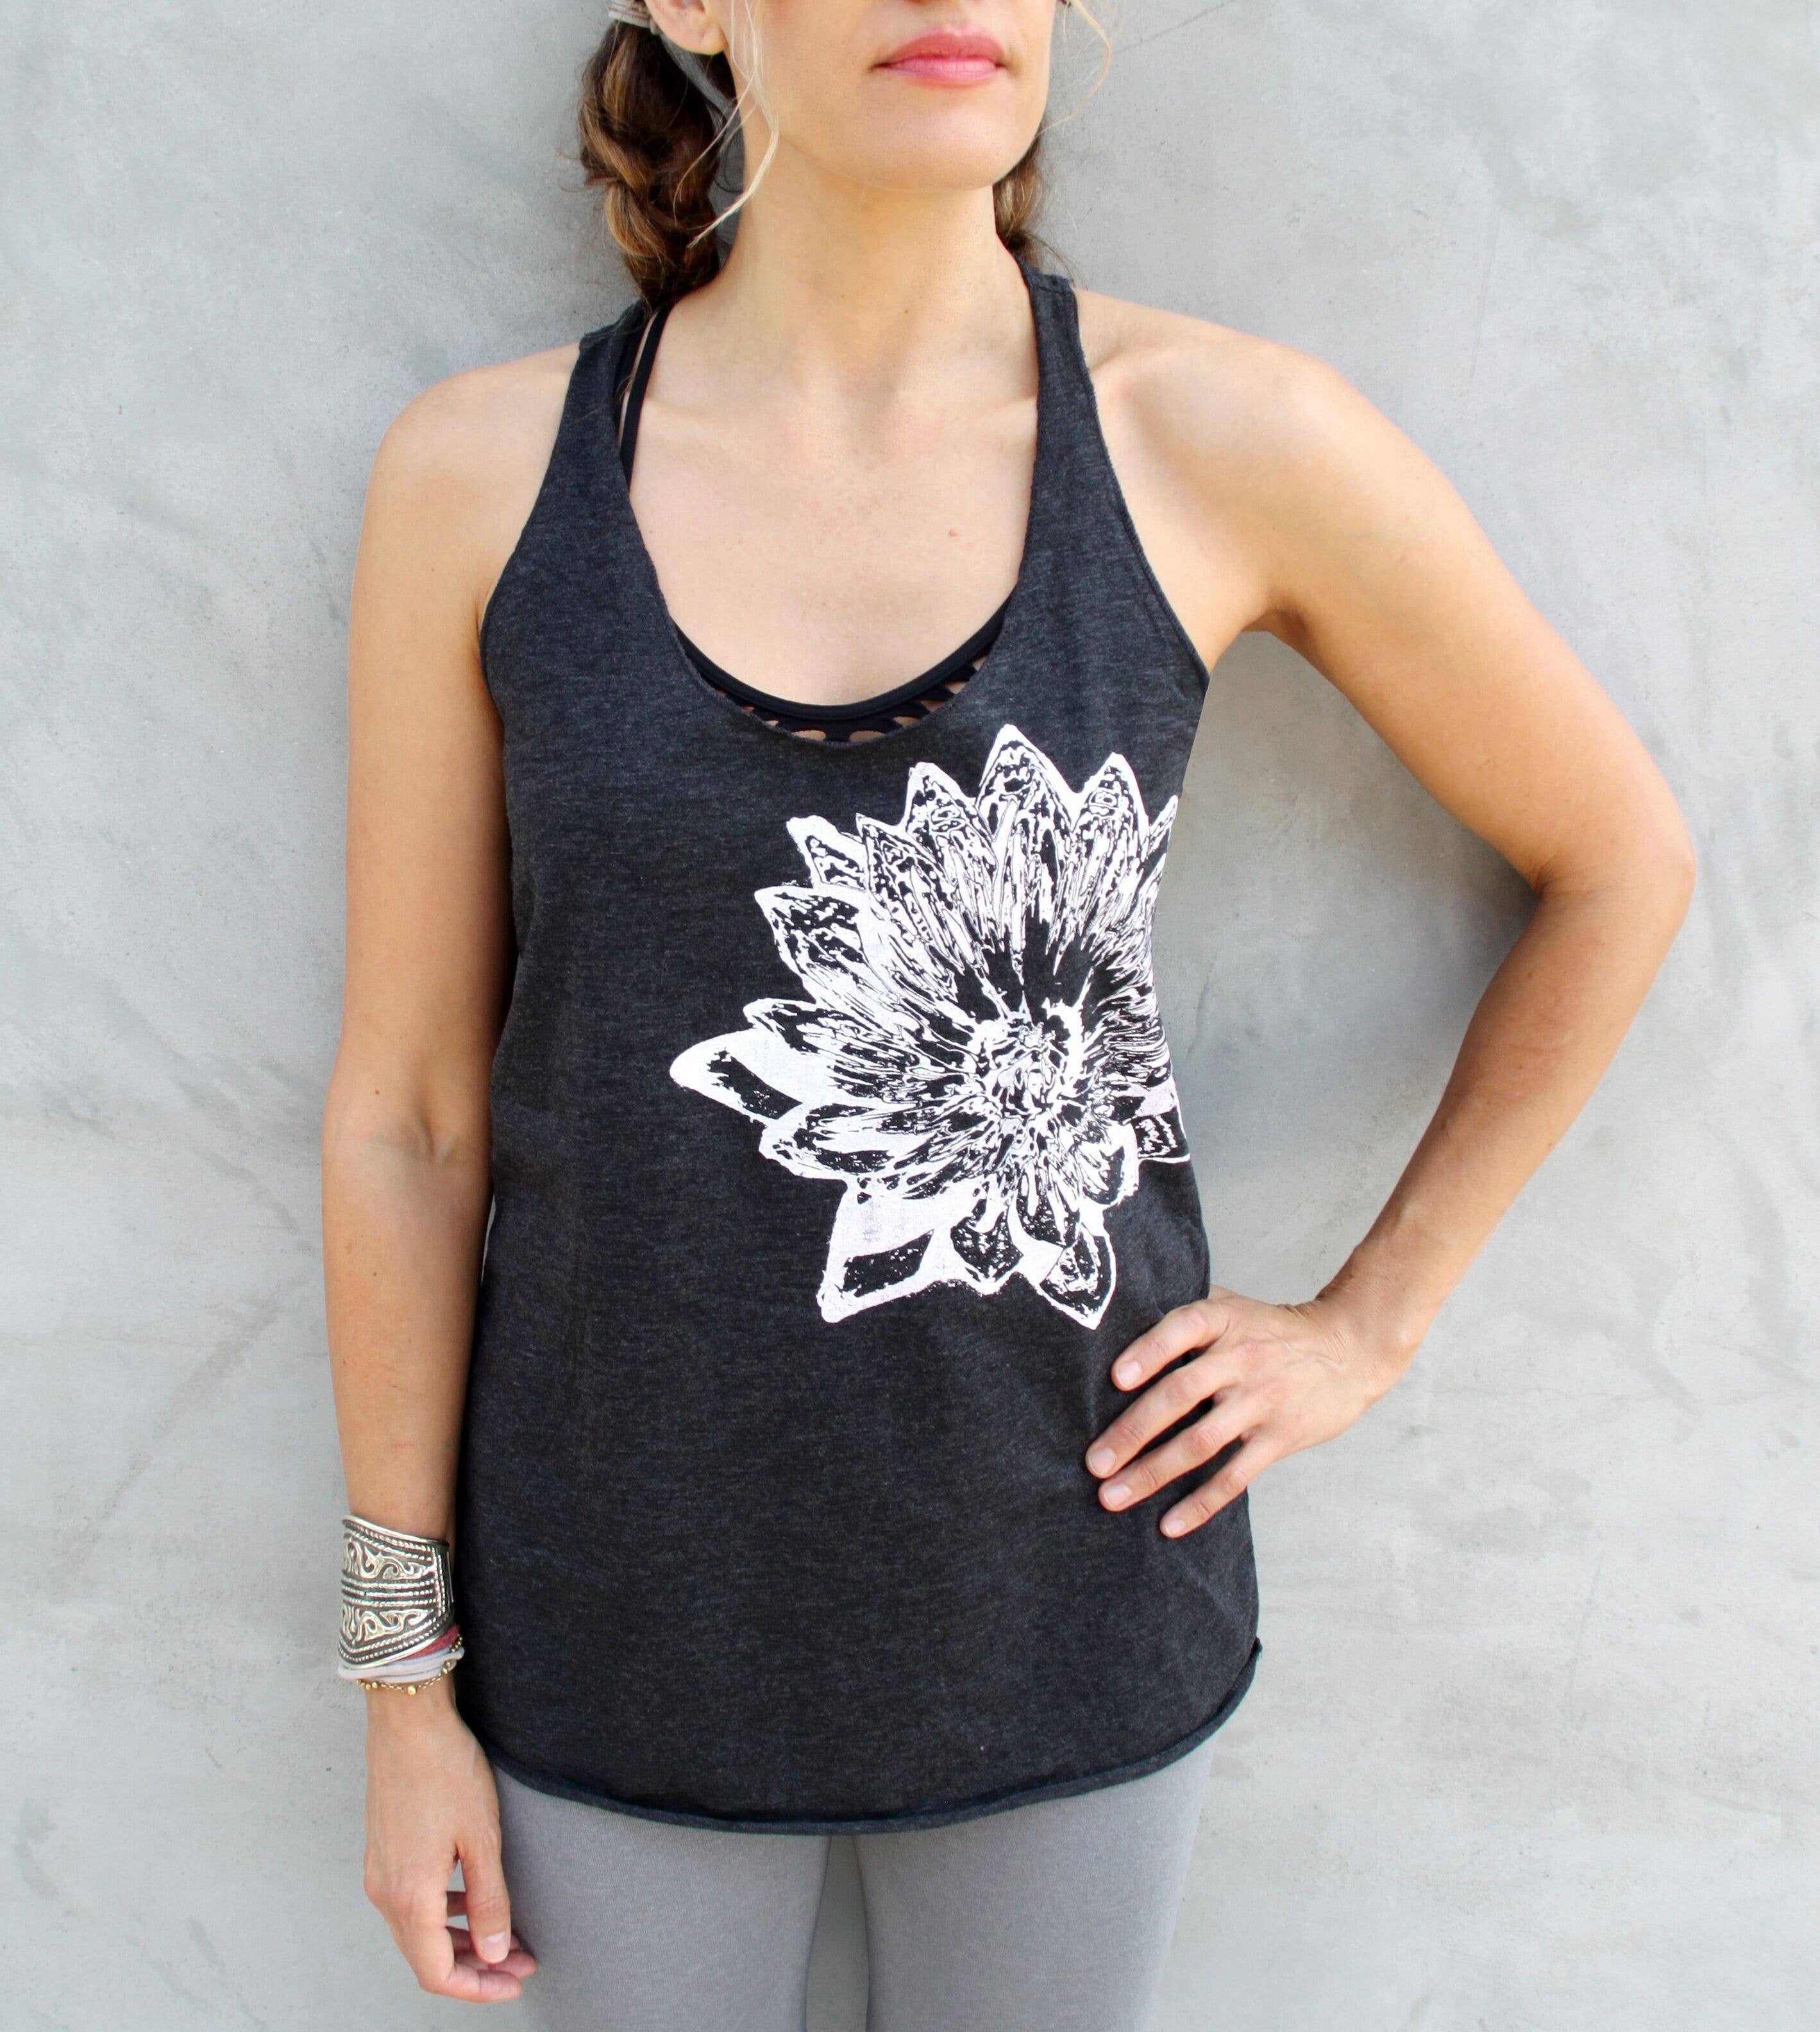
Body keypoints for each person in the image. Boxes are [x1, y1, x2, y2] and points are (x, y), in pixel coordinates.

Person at [321, 1, 1694, 2024]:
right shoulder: (482, 474)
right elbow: (411, 1117)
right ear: (690, 6)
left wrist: (1372, 1319)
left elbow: (1619, 860)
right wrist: (400, 1676)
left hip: (1070, 1591)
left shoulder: (1216, 436)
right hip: (613, 1615)